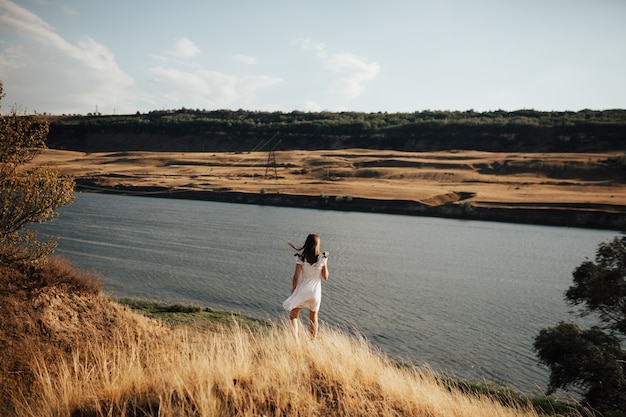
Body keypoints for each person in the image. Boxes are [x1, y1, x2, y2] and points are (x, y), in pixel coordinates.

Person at [282, 233, 329, 339]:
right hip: (315, 293)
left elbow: (295, 277)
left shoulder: (301, 258)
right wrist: (325, 262)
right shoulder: (322, 258)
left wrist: (294, 290)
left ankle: (296, 341)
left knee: (293, 316)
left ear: (307, 244)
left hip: (303, 290)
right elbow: (325, 277)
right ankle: (312, 341)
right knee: (313, 318)